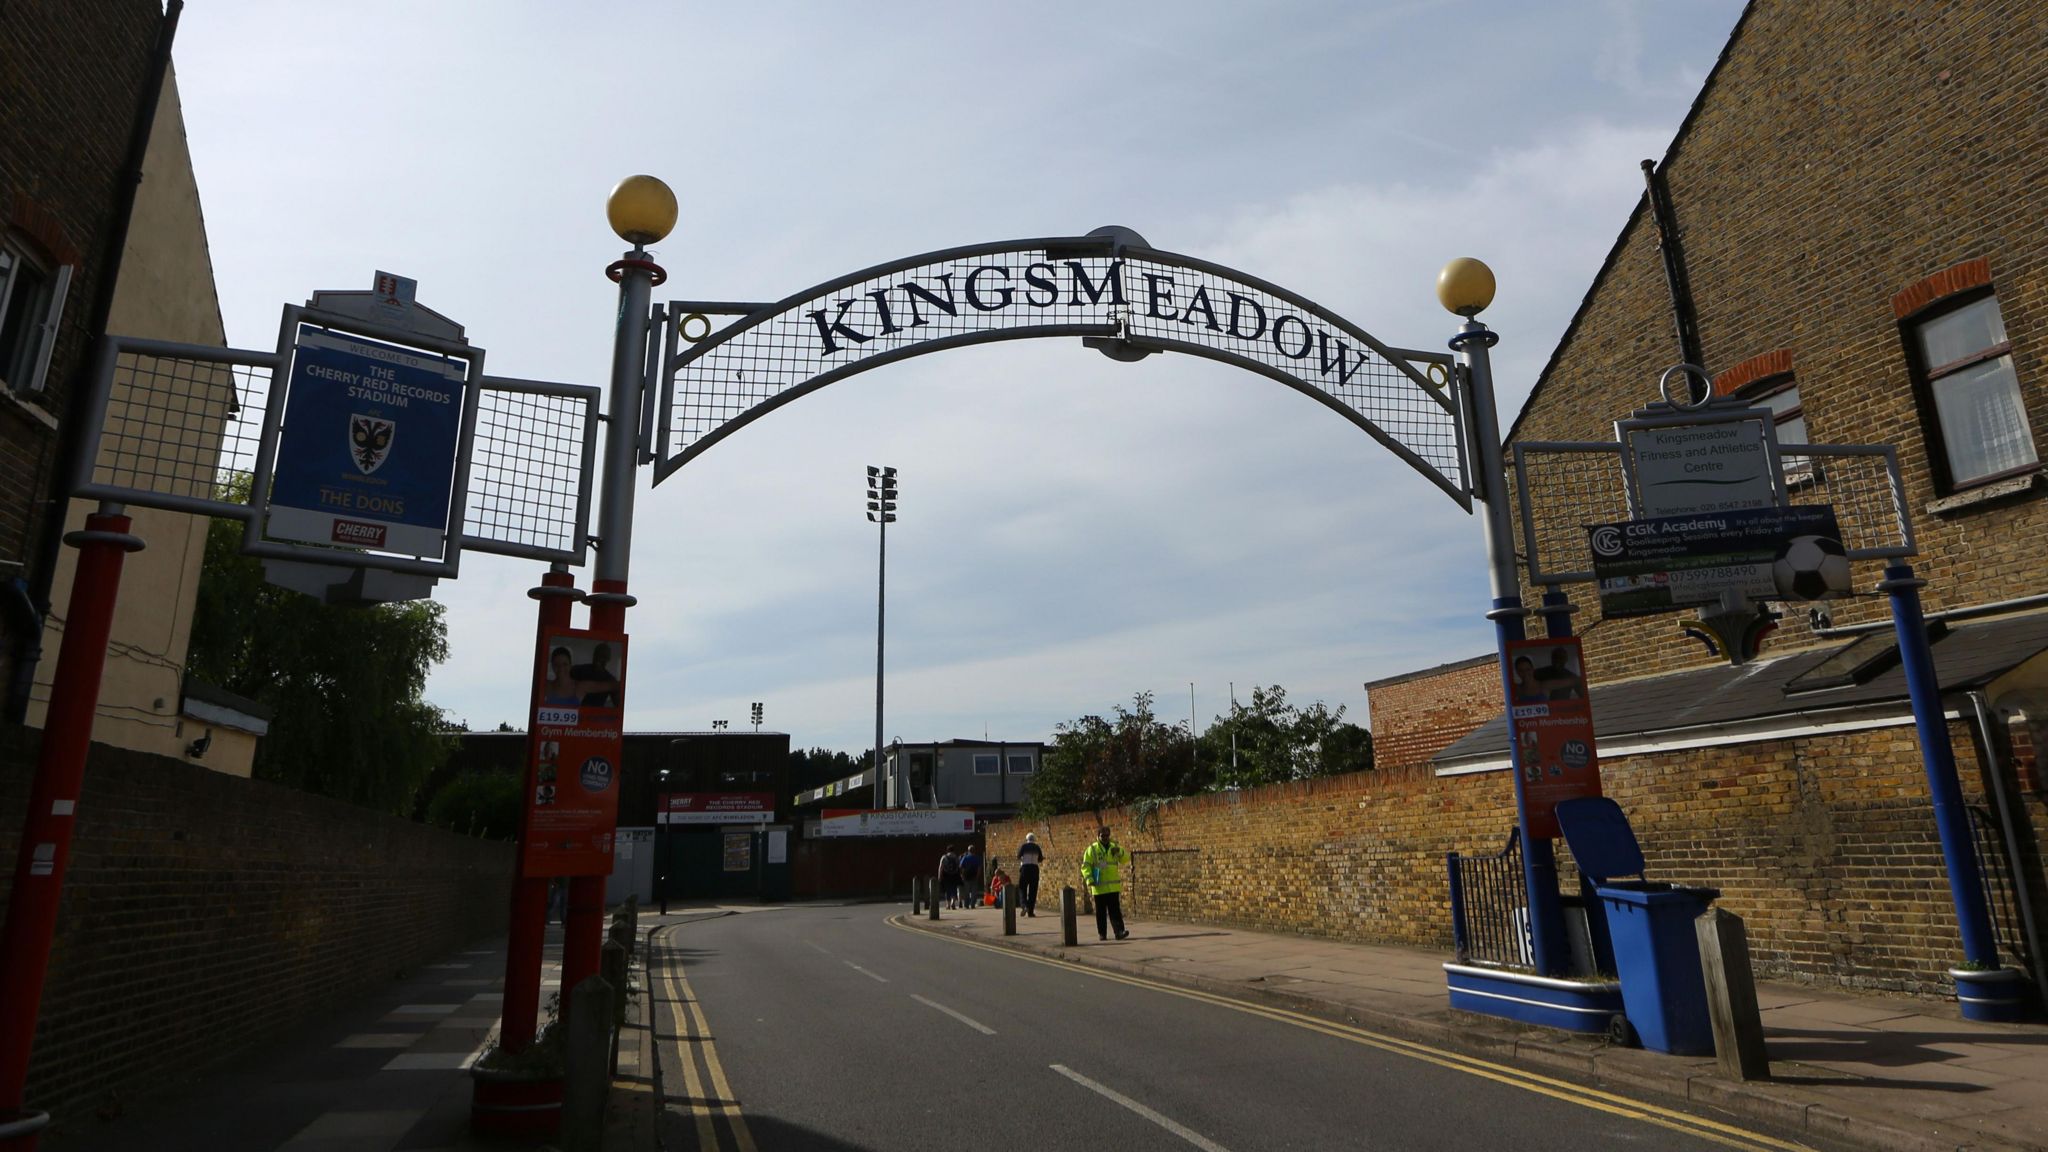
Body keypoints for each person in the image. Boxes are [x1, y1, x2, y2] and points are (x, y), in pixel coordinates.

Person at [1081, 825, 1130, 941]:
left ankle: (1119, 932)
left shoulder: (1114, 847)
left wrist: (1120, 852)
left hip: (1113, 887)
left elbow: (1126, 859)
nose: (1105, 838)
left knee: (1115, 912)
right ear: (1098, 836)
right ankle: (1102, 934)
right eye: (1103, 836)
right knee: (1101, 913)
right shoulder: (1092, 849)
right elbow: (1085, 866)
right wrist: (1090, 880)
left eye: (1107, 835)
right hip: (1099, 887)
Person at [572, 642, 621, 708]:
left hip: (596, 716)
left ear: (608, 659)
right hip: (575, 712)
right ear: (594, 655)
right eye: (598, 654)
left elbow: (618, 707)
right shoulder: (578, 670)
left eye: (603, 656)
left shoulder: (610, 680)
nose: (599, 658)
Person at [1016, 832, 1044, 917]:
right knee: (1033, 891)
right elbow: (1040, 859)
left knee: (1022, 888)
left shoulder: (1024, 846)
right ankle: (1030, 912)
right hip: (1035, 869)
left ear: (1026, 839)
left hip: (1025, 868)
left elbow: (1018, 856)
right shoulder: (1037, 847)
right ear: (1034, 839)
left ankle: (1024, 905)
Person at [937, 845, 963, 909]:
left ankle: (948, 905)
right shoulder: (956, 857)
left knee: (947, 890)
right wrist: (961, 875)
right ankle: (953, 903)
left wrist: (939, 876)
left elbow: (941, 867)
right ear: (953, 850)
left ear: (947, 850)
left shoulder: (944, 857)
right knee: (954, 889)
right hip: (954, 875)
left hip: (946, 875)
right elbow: (959, 867)